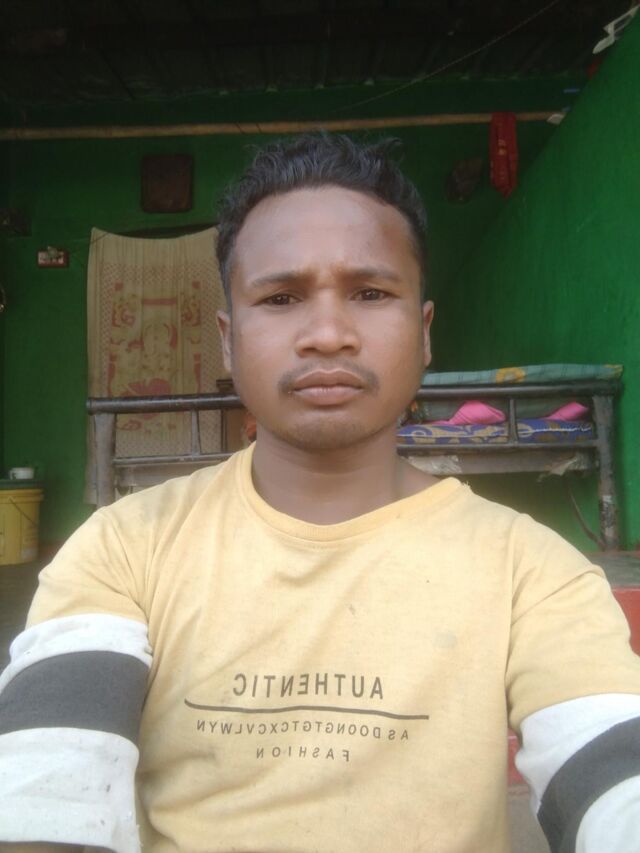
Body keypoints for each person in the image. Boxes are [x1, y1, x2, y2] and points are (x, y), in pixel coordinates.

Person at [1, 133, 639, 853]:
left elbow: (614, 775)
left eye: (371, 293)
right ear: (228, 339)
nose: (328, 334)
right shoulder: (124, 547)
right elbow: (48, 790)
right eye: (280, 298)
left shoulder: (533, 572)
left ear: (424, 332)